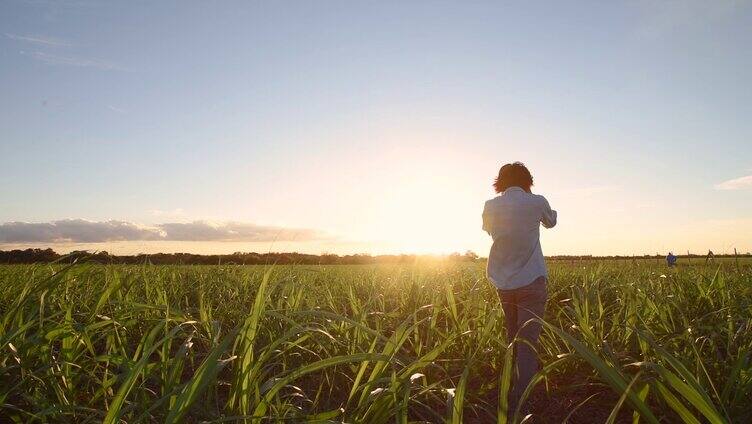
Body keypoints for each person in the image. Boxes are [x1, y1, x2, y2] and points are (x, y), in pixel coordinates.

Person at [482, 162, 557, 412]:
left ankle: (508, 388)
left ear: (500, 182)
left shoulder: (490, 206)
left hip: (503, 281)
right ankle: (520, 400)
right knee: (527, 342)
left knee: (512, 336)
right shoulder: (536, 202)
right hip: (532, 280)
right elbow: (552, 222)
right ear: (528, 181)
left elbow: (489, 231)